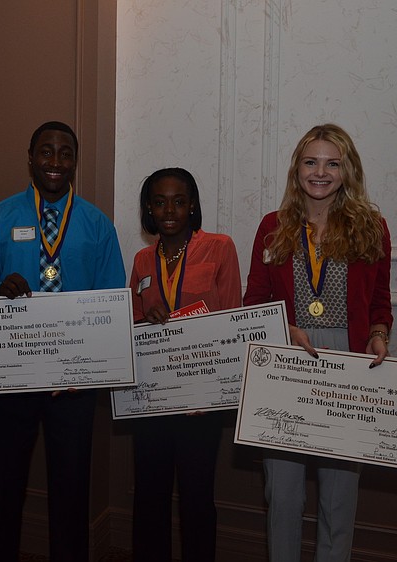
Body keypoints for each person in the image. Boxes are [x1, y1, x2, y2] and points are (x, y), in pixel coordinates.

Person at [0, 121, 125, 562]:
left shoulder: (97, 225)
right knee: (3, 484)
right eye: (46, 152)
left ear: (75, 160)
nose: (55, 162)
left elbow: (112, 299)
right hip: (10, 378)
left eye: (65, 153)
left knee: (71, 488)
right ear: (30, 157)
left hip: (73, 384)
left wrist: (87, 368)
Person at [243, 124, 392, 562]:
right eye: (311, 161)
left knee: (339, 499)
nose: (320, 172)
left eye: (332, 163)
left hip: (348, 366)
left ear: (348, 171)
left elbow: (381, 300)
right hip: (287, 363)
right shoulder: (273, 227)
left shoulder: (372, 228)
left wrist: (380, 335)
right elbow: (253, 302)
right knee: (283, 495)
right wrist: (282, 329)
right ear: (297, 169)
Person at [128, 167, 242, 561]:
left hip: (200, 402)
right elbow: (131, 328)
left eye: (179, 200)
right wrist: (145, 319)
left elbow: (232, 320)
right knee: (149, 498)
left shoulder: (220, 247)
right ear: (149, 209)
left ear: (192, 205)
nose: (169, 209)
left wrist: (212, 392)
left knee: (196, 500)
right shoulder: (143, 260)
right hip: (154, 402)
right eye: (159, 202)